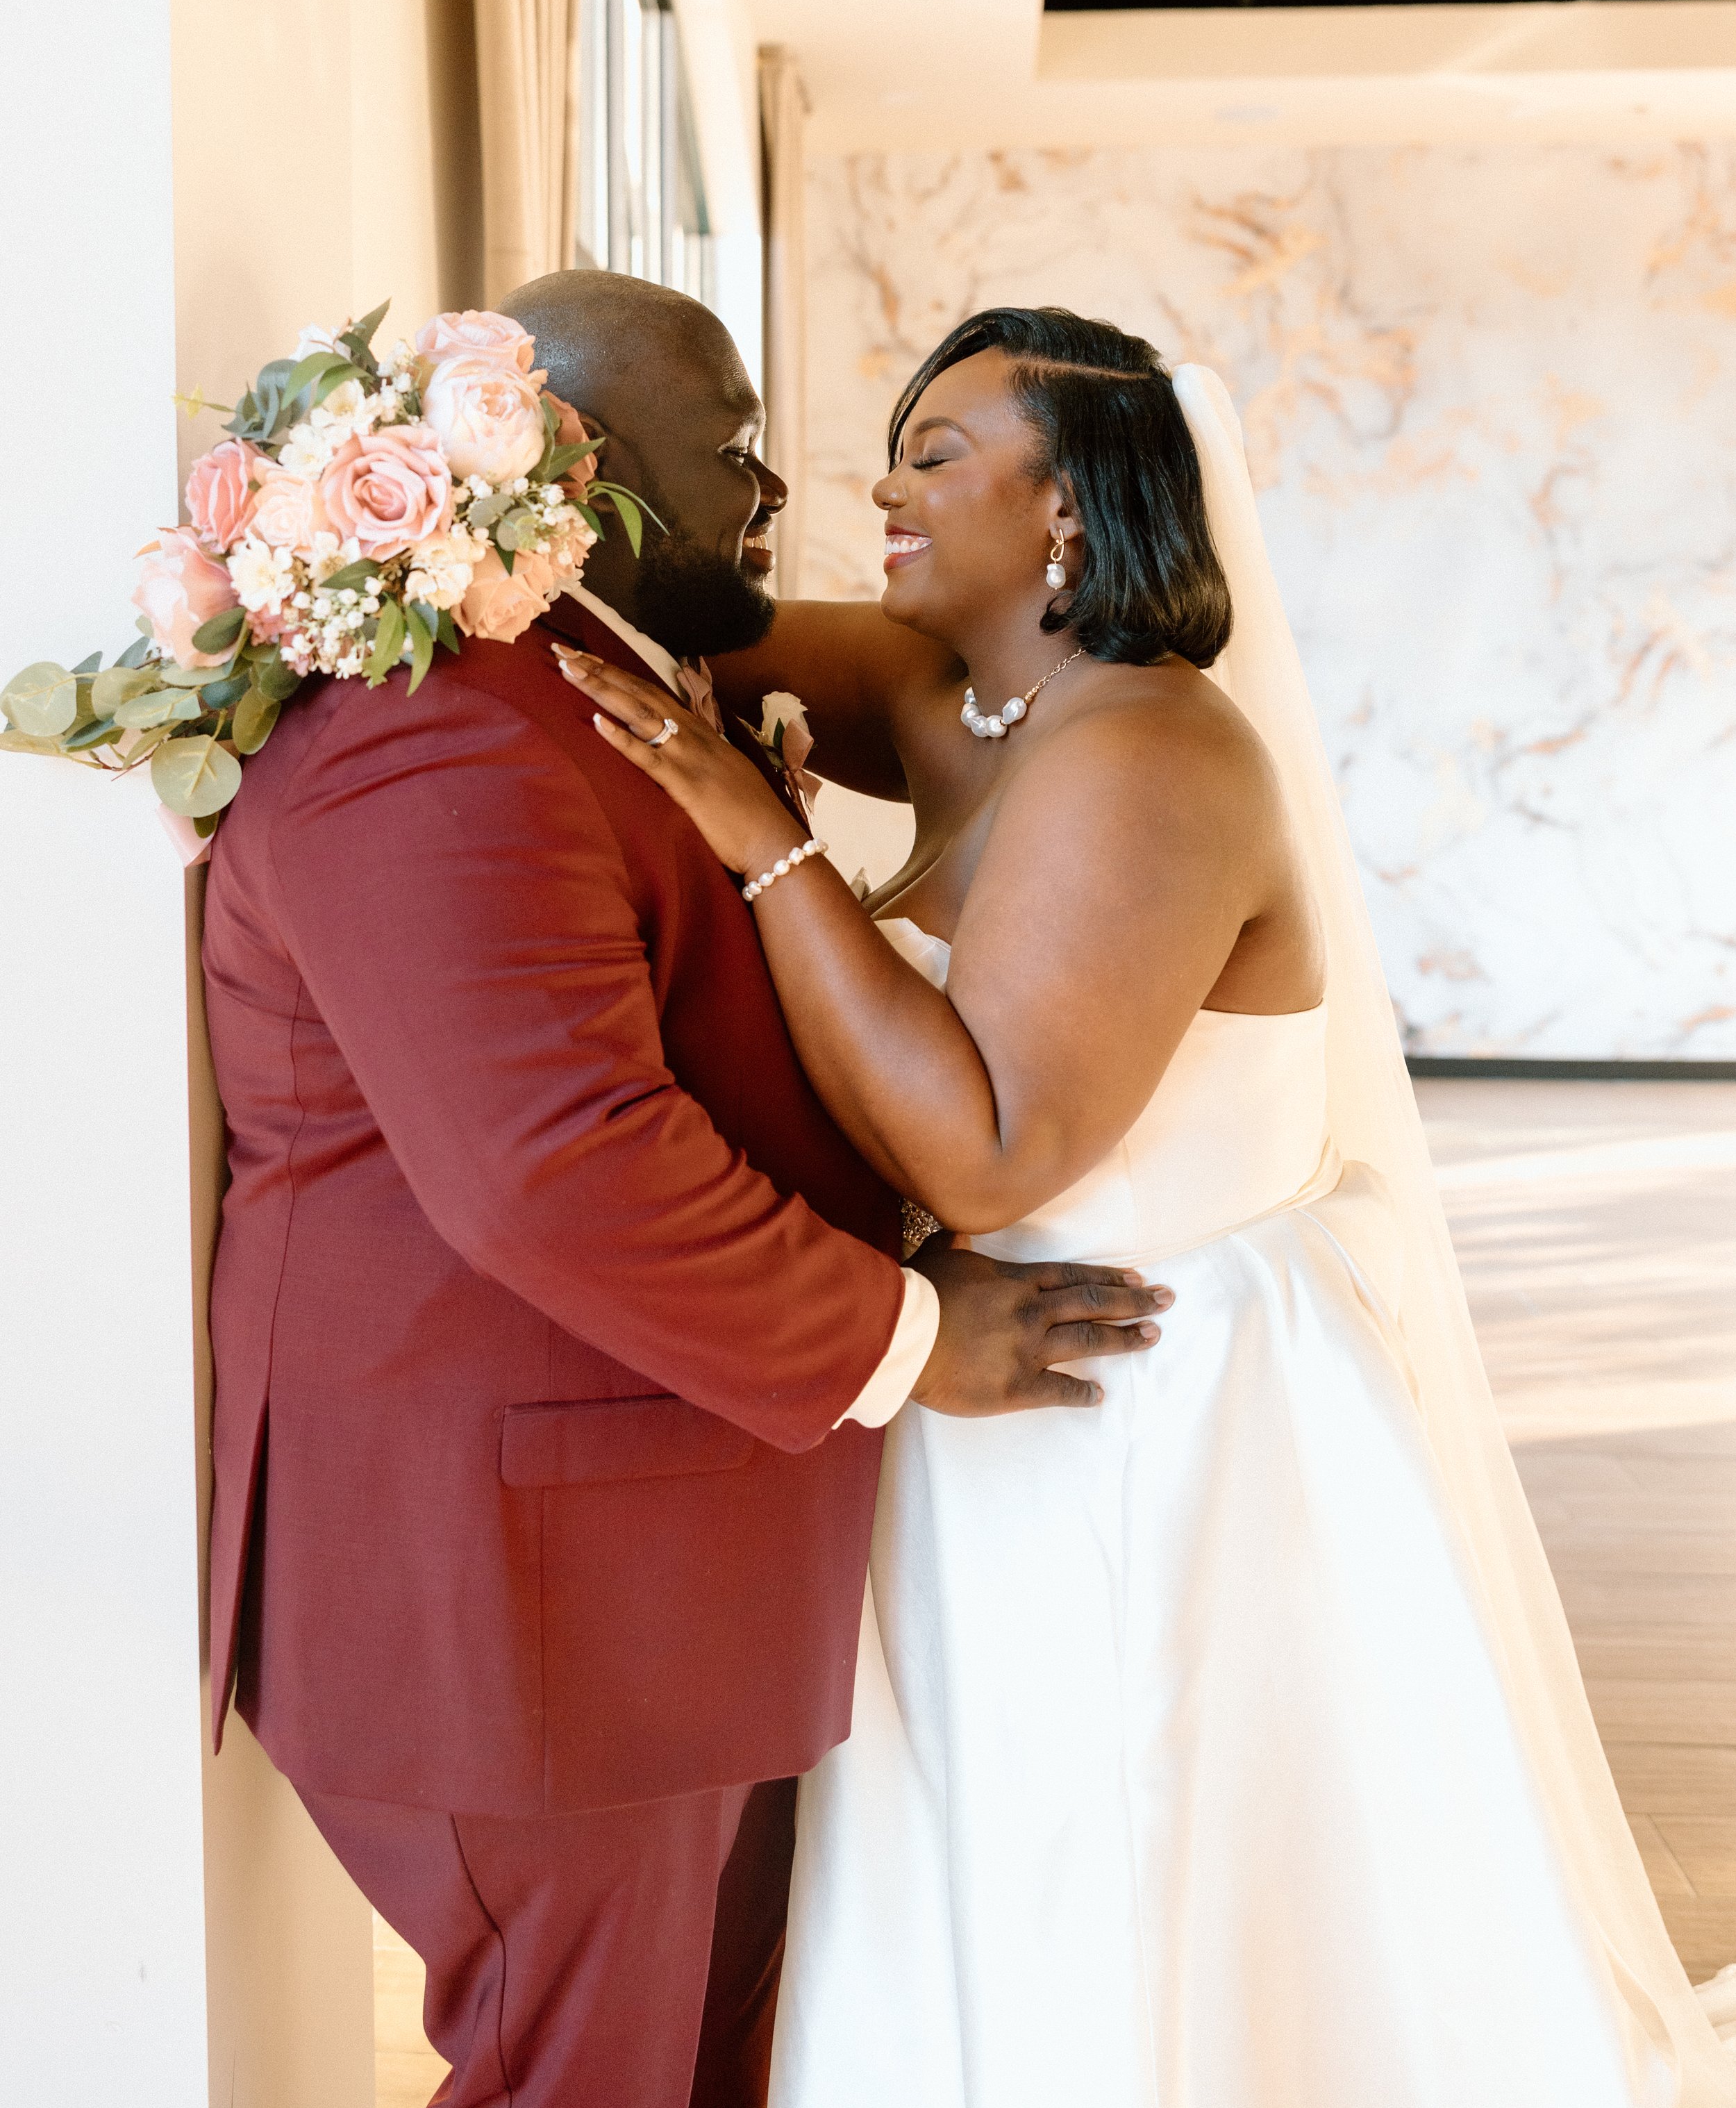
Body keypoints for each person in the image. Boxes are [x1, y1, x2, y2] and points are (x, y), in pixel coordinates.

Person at [567, 304, 1736, 2108]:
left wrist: (769, 844)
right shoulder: (952, 693)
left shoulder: (1151, 758)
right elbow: (670, 619)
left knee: (1127, 1847)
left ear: (1070, 509)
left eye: (936, 453)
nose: (881, 487)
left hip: (1147, 1399)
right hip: (994, 1377)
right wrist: (433, 512)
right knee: (996, 1854)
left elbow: (986, 1154)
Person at [200, 274, 1168, 2108]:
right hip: (523, 1600)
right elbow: (554, 1172)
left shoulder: (600, 682)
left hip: (639, 1569)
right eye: (735, 446)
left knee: (703, 2059)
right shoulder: (438, 730)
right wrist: (907, 1336)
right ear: (582, 463)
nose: (777, 488)